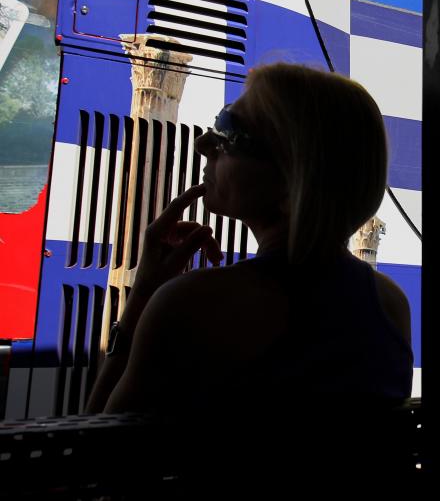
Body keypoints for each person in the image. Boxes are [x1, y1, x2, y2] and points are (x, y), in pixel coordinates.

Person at [85, 63, 414, 494]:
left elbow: (94, 456)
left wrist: (143, 294)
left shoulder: (193, 304)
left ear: (291, 178)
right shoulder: (389, 304)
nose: (204, 143)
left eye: (228, 132)